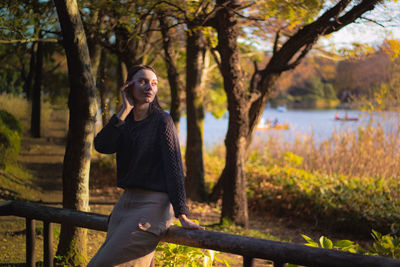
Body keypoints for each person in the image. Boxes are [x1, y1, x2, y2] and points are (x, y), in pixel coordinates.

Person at [88, 65, 202, 267]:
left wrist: (182, 214)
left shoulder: (162, 121)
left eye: (154, 83)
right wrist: (124, 111)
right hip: (124, 204)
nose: (149, 87)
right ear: (128, 87)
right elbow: (102, 146)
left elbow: (174, 167)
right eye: (142, 81)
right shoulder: (125, 122)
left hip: (152, 207)